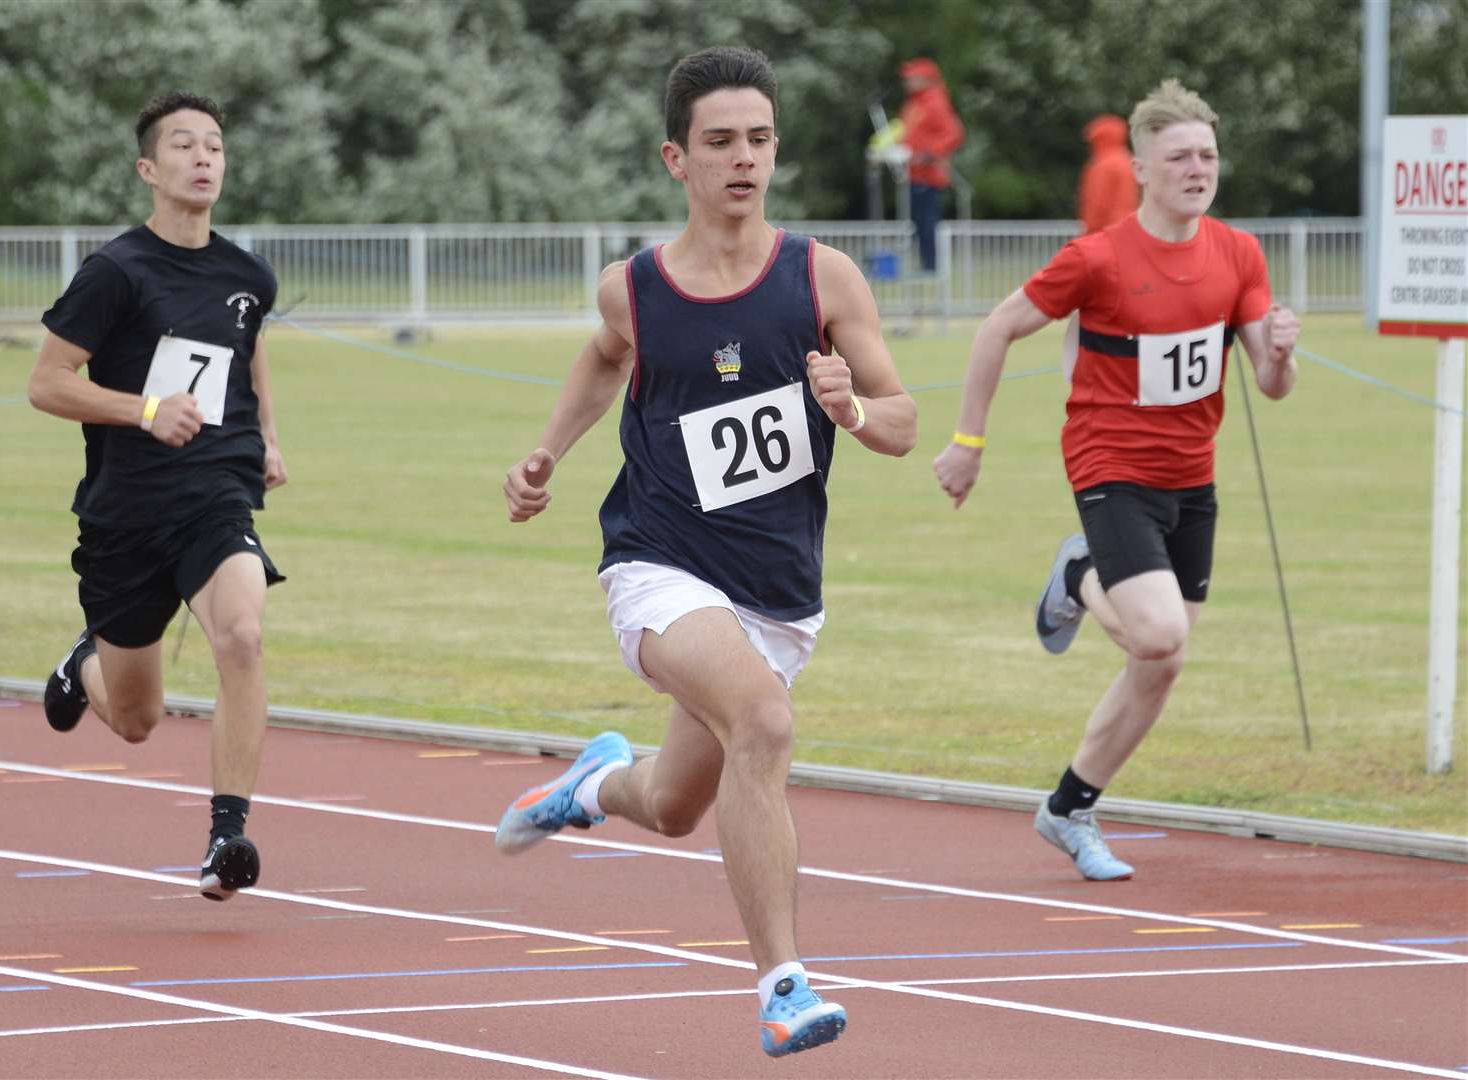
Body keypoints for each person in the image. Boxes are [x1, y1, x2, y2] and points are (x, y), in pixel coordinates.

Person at [496, 46, 916, 1056]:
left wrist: (848, 406)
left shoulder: (822, 277)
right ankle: (783, 986)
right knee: (763, 725)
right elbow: (605, 360)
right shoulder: (634, 289)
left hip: (778, 592)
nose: (744, 160)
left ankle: (590, 786)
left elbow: (899, 422)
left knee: (674, 803)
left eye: (760, 140)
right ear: (675, 159)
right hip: (657, 564)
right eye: (720, 142)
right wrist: (546, 454)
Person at [932, 79, 1299, 881]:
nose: (1196, 169)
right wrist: (967, 441)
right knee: (1159, 634)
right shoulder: (1097, 258)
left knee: (1158, 660)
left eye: (1206, 154)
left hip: (1190, 478)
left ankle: (1069, 808)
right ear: (1140, 166)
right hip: (1110, 467)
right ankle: (1076, 570)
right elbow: (998, 327)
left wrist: (1279, 349)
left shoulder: (1238, 252)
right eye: (1178, 157)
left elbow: (1270, 387)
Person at [28, 90, 285, 902]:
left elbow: (247, 354)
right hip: (126, 511)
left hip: (214, 492)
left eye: (214, 144)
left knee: (241, 633)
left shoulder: (248, 275)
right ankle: (84, 663)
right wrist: (141, 409)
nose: (203, 157)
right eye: (183, 145)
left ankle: (226, 837)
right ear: (149, 168)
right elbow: (47, 383)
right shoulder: (116, 271)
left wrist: (269, 437)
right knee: (137, 720)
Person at [898, 57, 965, 273]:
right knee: (918, 222)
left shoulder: (935, 103)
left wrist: (929, 154)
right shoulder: (915, 104)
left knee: (927, 221)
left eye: (912, 77)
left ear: (926, 79)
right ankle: (926, 264)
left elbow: (954, 134)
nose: (907, 82)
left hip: (928, 174)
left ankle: (932, 266)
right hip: (913, 172)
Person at [1079, 113, 1139, 234]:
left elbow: (1097, 203)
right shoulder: (1129, 161)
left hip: (1105, 232)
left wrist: (1089, 232)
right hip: (1129, 229)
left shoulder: (1103, 165)